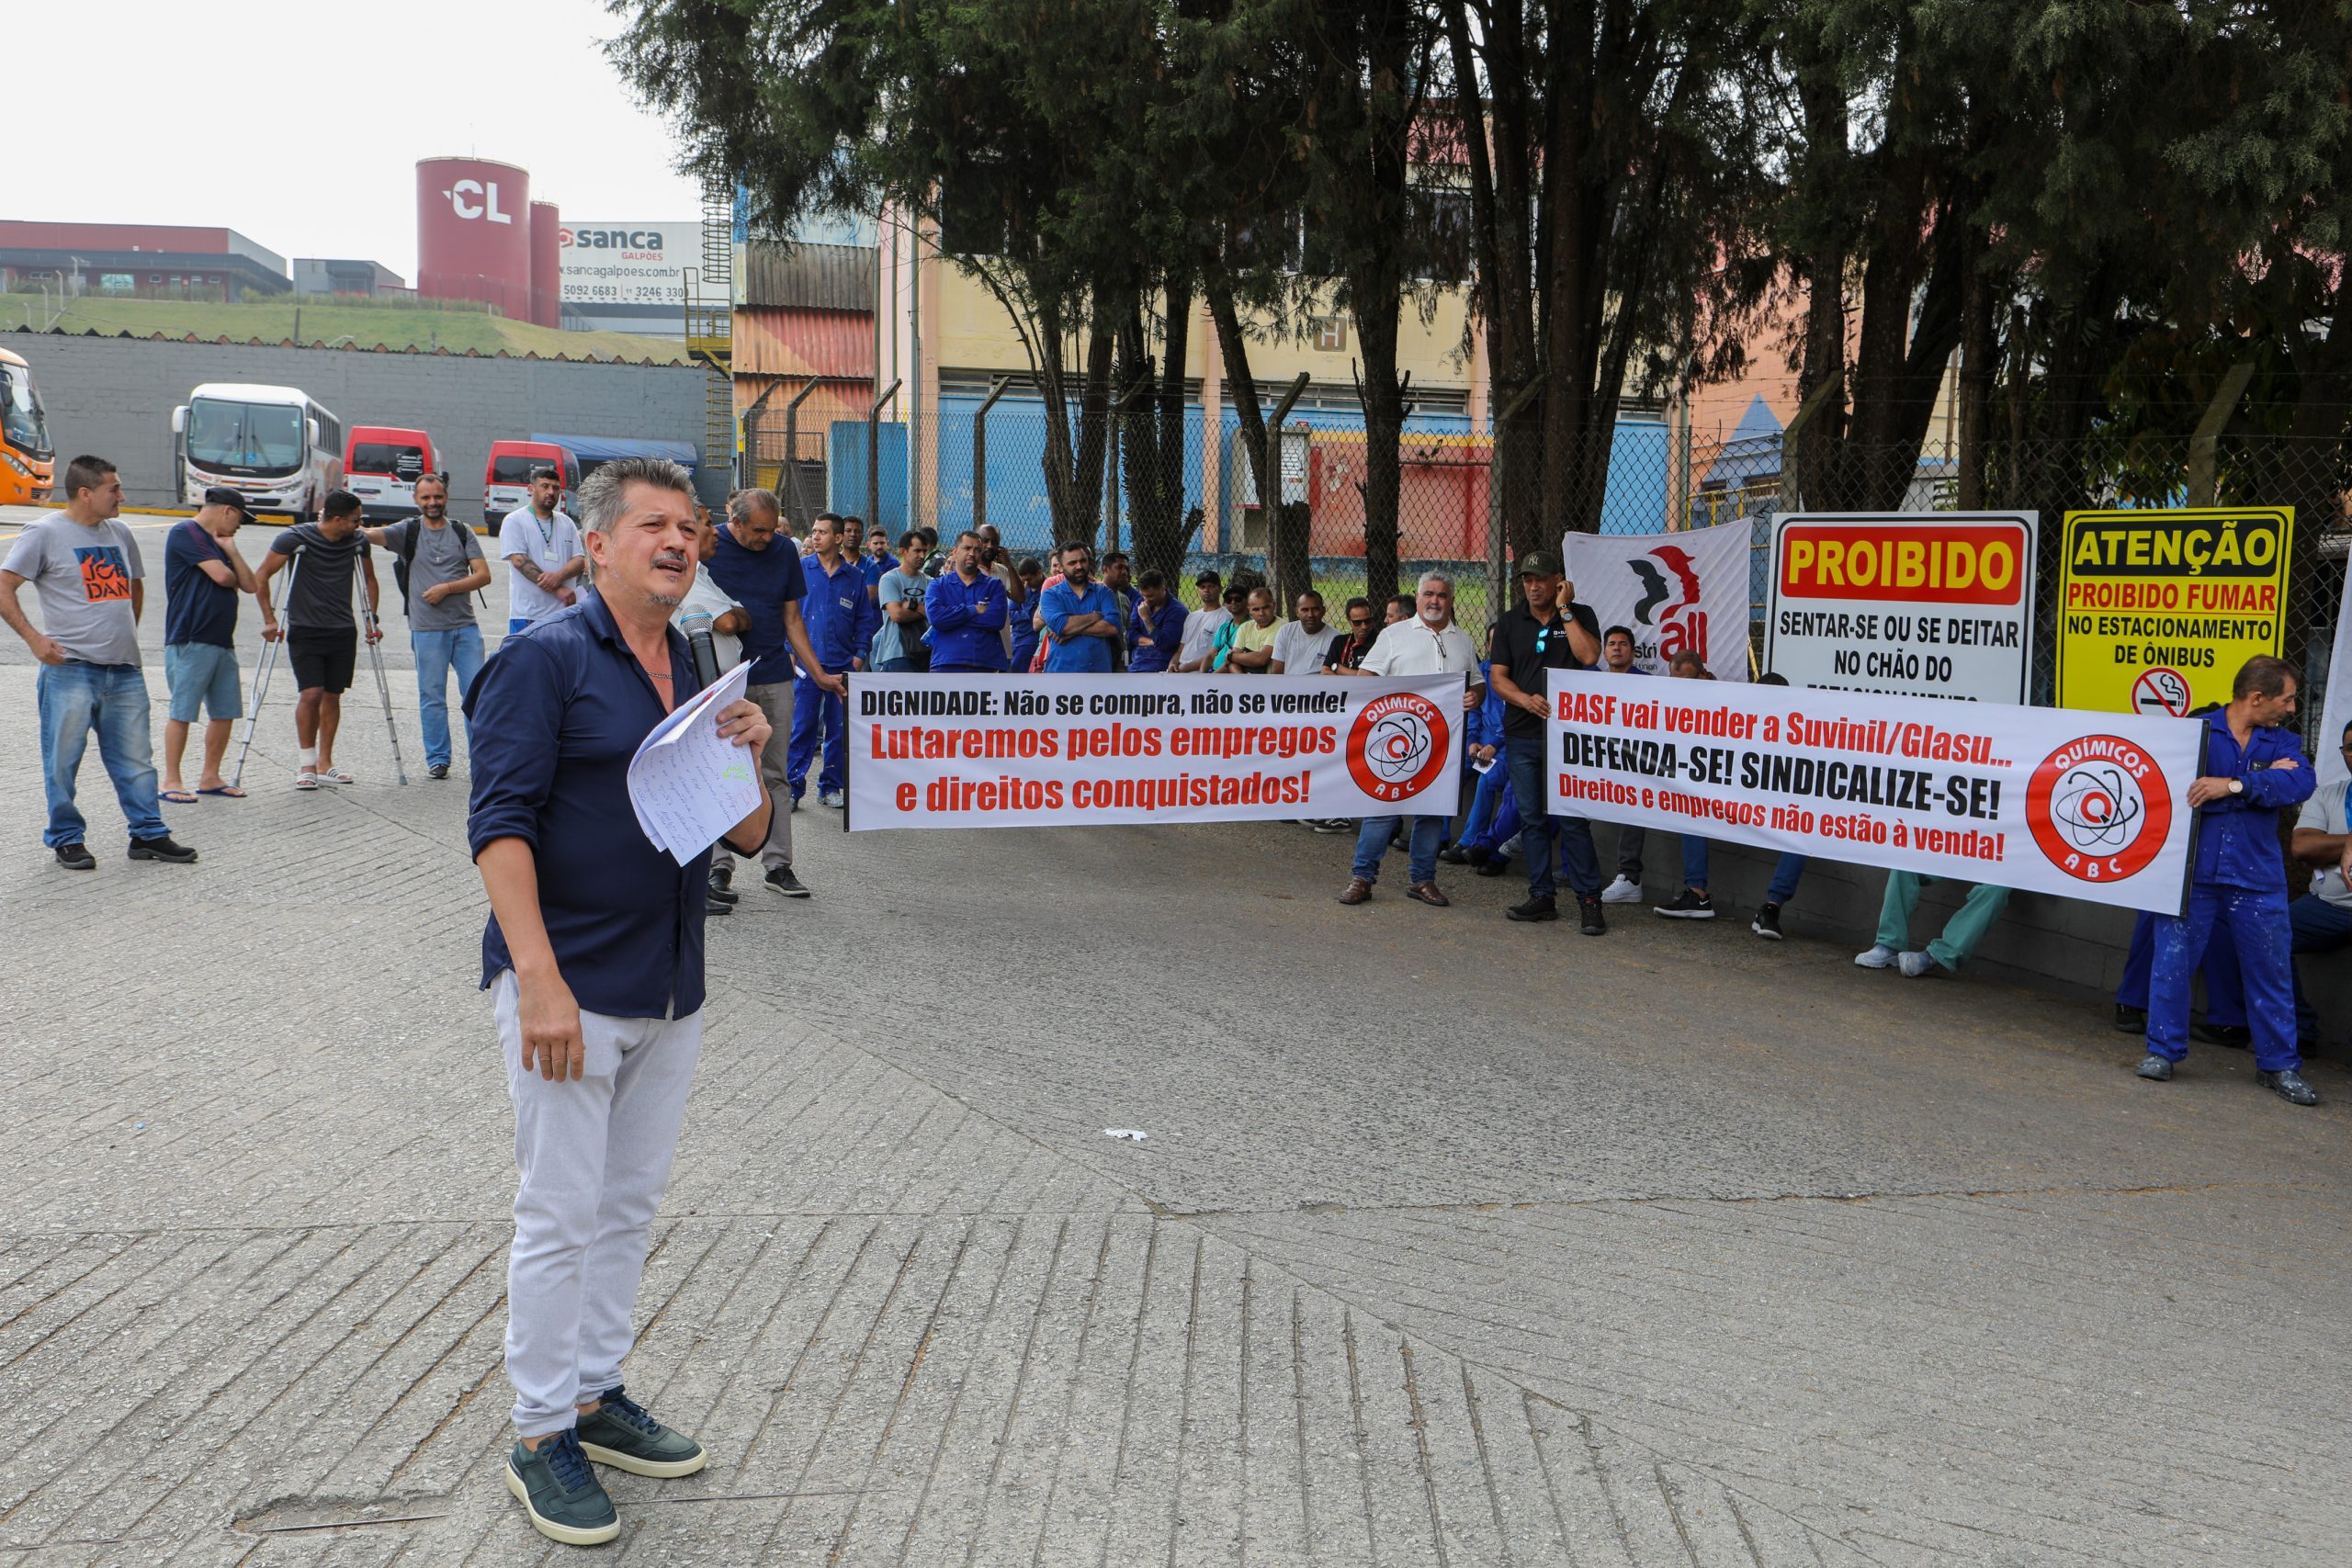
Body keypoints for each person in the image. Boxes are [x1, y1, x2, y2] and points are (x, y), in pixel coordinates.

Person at [466, 455, 774, 1547]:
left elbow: (742, 837)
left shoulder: (694, 659)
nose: (680, 541)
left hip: (669, 984)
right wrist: (537, 980)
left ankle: (595, 1397)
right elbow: (497, 827)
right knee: (559, 1212)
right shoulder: (541, 660)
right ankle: (539, 1431)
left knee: (628, 1206)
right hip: (573, 986)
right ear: (595, 546)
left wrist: (753, 754)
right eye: (653, 525)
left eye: (689, 526)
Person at [2137, 655, 2318, 1105]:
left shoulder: (2285, 741)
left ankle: (2279, 1065)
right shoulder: (2194, 730)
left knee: (2270, 971)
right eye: (2288, 699)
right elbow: (2173, 786)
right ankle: (2162, 1051)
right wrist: (2258, 782)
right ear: (2257, 698)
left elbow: (2299, 785)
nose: (2292, 709)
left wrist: (2231, 786)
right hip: (2191, 872)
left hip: (2257, 877)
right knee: (2173, 961)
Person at [0, 454, 196, 868]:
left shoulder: (120, 532)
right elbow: (4, 585)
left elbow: (133, 588)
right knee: (62, 761)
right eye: (114, 489)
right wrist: (34, 640)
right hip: (69, 671)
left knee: (137, 760)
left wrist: (125, 634)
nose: (122, 496)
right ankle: (66, 838)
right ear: (86, 493)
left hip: (124, 670)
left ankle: (148, 835)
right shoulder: (44, 533)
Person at [703, 488, 841, 899]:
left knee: (775, 774)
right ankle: (717, 868)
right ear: (736, 522)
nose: (768, 538)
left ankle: (778, 864)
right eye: (759, 531)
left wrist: (817, 673)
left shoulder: (782, 551)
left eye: (772, 529)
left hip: (775, 674)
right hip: (723, 678)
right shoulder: (710, 546)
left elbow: (792, 618)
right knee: (717, 772)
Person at [1336, 571, 1485, 908]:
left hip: (1442, 744)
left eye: (1442, 595)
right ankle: (1362, 878)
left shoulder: (1462, 639)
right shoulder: (1393, 635)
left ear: (1451, 601)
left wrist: (1476, 695)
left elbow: (1477, 682)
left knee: (1431, 812)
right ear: (1417, 599)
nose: (1435, 601)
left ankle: (1422, 880)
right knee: (1383, 808)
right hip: (1394, 739)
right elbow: (1366, 678)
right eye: (1428, 594)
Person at [1484, 551, 1607, 934]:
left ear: (1558, 581)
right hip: (1522, 734)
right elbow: (1497, 678)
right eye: (1526, 580)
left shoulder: (1579, 614)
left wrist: (1565, 610)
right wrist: (1525, 700)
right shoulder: (1509, 621)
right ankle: (1542, 896)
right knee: (1532, 819)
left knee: (1572, 821)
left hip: (1566, 737)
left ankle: (1590, 901)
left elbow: (1588, 655)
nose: (1532, 587)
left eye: (1540, 579)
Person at [358, 473, 489, 782]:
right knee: (432, 697)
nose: (432, 503)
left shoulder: (461, 531)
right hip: (427, 629)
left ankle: (481, 759)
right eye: (426, 498)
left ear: (446, 497)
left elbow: (483, 575)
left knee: (478, 696)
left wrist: (447, 588)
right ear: (417, 500)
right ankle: (438, 759)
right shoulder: (408, 531)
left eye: (437, 497)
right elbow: (370, 535)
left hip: (466, 627)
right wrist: (341, 524)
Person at [256, 490, 382, 790]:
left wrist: (371, 618)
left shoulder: (358, 542)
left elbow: (369, 580)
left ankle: (326, 763)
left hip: (342, 630)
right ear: (337, 519)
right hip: (305, 628)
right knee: (311, 694)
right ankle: (307, 763)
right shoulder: (294, 539)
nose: (360, 525)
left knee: (332, 696)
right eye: (355, 519)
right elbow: (262, 575)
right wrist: (269, 619)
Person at [159, 488, 258, 803]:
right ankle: (171, 779)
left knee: (225, 710)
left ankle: (210, 776)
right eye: (240, 518)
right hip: (191, 636)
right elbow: (223, 578)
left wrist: (233, 549)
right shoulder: (186, 533)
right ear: (227, 511)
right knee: (183, 710)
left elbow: (250, 585)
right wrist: (226, 558)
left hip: (220, 639)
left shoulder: (220, 542)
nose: (240, 525)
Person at [787, 513, 874, 809]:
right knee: (803, 728)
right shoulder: (801, 570)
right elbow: (790, 616)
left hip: (844, 667)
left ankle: (830, 787)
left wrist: (859, 655)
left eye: (822, 532)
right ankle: (793, 788)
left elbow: (866, 620)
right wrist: (791, 651)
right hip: (808, 666)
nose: (815, 537)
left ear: (837, 539)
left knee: (839, 731)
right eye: (813, 531)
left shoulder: (855, 578)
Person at [2287, 718, 2352, 1055]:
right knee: (2268, 932)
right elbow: (2302, 848)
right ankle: (2300, 1030)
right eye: (2351, 747)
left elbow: (2318, 848)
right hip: (2328, 907)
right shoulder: (2327, 794)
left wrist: (2329, 847)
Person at [1595, 626, 1651, 904]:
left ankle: (1629, 877)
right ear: (1604, 651)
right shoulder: (1592, 683)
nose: (1617, 648)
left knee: (1635, 797)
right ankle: (1573, 869)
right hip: (1598, 761)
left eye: (1623, 644)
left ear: (1633, 651)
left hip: (1633, 765)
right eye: (1612, 643)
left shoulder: (1648, 683)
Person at [499, 466, 588, 633]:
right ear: (531, 489)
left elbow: (579, 559)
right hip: (528, 615)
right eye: (545, 486)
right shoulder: (515, 520)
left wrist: (558, 576)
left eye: (555, 488)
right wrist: (558, 588)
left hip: (564, 614)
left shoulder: (566, 522)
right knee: (526, 659)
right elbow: (519, 560)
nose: (551, 492)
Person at [923, 531, 1012, 672]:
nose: (972, 553)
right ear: (955, 552)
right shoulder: (937, 586)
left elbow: (997, 620)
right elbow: (937, 619)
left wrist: (952, 618)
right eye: (967, 548)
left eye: (977, 550)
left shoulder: (994, 585)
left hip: (986, 664)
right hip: (947, 663)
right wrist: (973, 610)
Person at [1041, 543, 1123, 673]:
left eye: (1083, 561)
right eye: (1072, 563)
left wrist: (1072, 630)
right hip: (1061, 674)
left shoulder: (1104, 592)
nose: (1079, 566)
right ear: (1061, 567)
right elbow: (1062, 626)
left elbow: (1112, 627)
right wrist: (1095, 616)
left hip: (1099, 674)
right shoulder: (1050, 595)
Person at [872, 530, 933, 673]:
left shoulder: (931, 582)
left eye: (924, 551)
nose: (922, 556)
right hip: (897, 653)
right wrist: (925, 611)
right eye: (917, 551)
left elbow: (936, 615)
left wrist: (913, 606)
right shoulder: (890, 579)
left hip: (925, 652)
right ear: (903, 551)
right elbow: (897, 615)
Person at [1128, 570, 1188, 673]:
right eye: (1143, 595)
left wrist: (1146, 618)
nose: (1146, 600)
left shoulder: (1177, 611)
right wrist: (1152, 642)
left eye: (1150, 596)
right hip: (1137, 663)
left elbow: (1164, 643)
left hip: (1160, 666)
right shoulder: (1140, 603)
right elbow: (1130, 634)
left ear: (1162, 587)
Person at [1171, 571, 1230, 672]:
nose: (1206, 590)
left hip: (1202, 672)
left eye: (1211, 586)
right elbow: (1181, 649)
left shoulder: (1225, 618)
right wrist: (1173, 663)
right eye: (1202, 587)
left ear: (1220, 589)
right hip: (1180, 670)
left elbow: (1218, 655)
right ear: (1198, 590)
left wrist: (1185, 668)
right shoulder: (1192, 616)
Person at [1271, 591, 1329, 675]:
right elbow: (1277, 672)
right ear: (1297, 612)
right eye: (1305, 610)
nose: (1310, 615)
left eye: (1315, 609)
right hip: (1289, 686)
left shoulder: (1335, 638)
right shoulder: (1285, 631)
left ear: (1323, 611)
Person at [1226, 587, 1283, 672]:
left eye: (1266, 607)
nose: (1261, 613)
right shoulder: (1245, 627)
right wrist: (1244, 682)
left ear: (1273, 605)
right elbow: (1233, 663)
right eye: (1256, 609)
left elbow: (1261, 659)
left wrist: (1231, 656)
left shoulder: (1282, 627)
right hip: (1244, 681)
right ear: (1249, 610)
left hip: (1270, 683)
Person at [1006, 557, 1045, 671]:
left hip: (1031, 640)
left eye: (1029, 579)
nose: (1026, 583)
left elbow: (1037, 621)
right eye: (1023, 581)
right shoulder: (1022, 588)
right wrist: (1027, 614)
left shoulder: (1047, 589)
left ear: (1039, 573)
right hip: (1016, 639)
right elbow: (1009, 616)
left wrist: (1024, 613)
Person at [1323, 597, 1376, 673]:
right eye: (1357, 622)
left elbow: (1370, 678)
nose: (1364, 626)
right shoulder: (1339, 642)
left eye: (1367, 621)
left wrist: (1339, 669)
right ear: (1349, 621)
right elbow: (1325, 672)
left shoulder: (1379, 642)